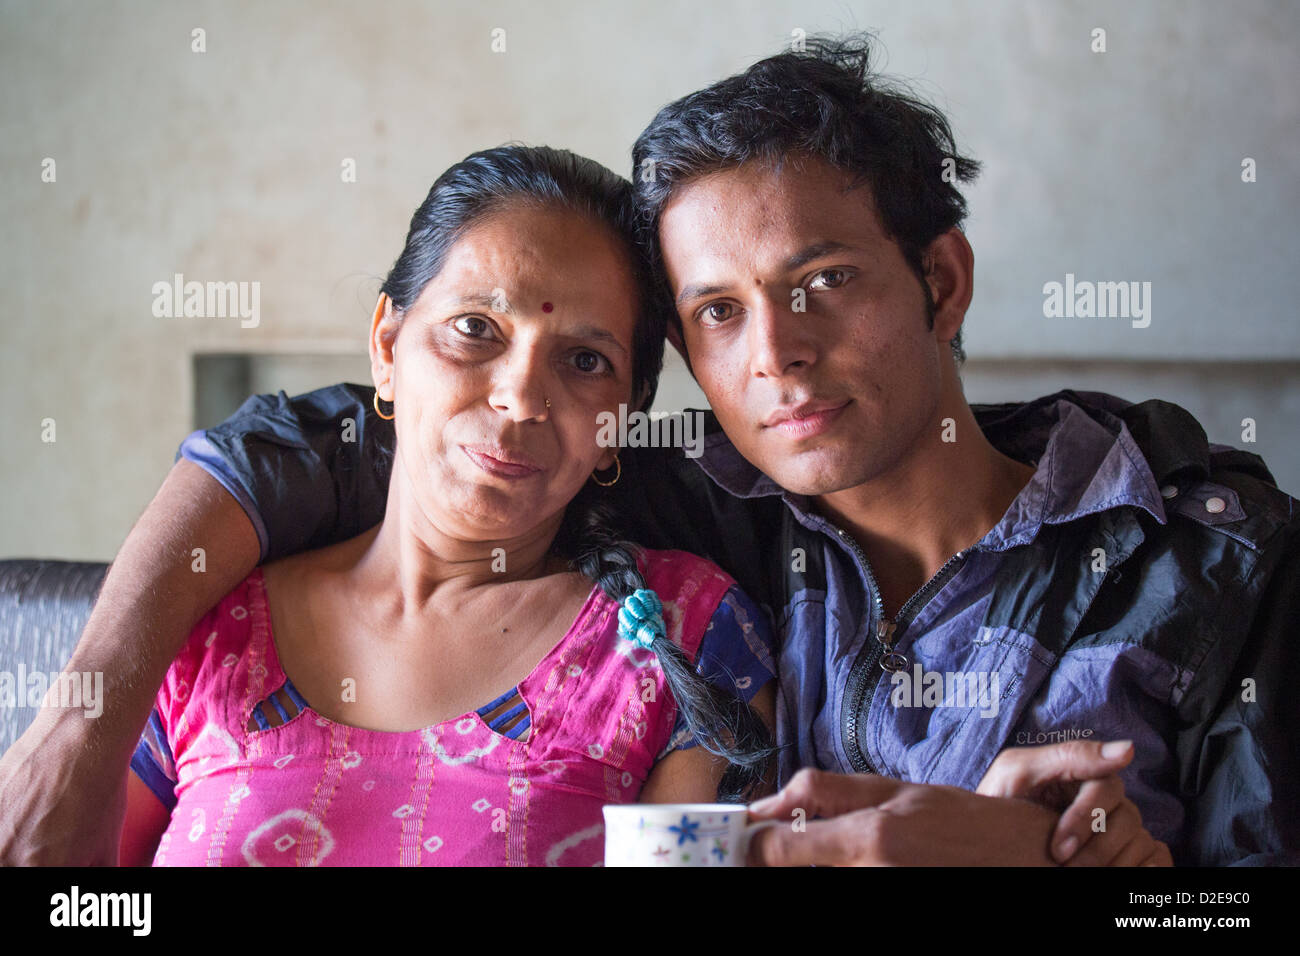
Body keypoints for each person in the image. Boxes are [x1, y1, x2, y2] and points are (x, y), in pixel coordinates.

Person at [6, 34, 1270, 867]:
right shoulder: (705, 510)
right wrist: (84, 708)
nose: (774, 353)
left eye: (822, 281)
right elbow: (305, 442)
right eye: (718, 312)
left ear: (941, 279)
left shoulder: (1216, 571)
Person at [114, 144, 783, 866]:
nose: (523, 398)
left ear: (620, 421)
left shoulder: (680, 642)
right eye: (475, 329)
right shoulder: (210, 631)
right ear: (387, 344)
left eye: (585, 361)